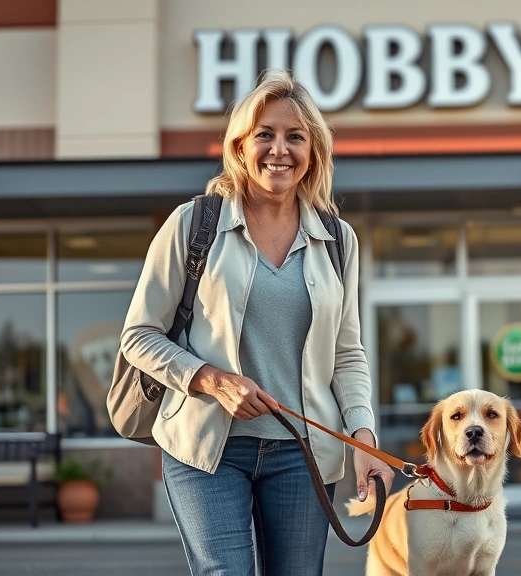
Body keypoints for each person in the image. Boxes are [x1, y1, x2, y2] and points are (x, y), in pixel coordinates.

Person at [120, 69, 394, 575]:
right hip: (207, 447)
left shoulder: (338, 240)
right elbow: (139, 336)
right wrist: (213, 380)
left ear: (313, 151)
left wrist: (363, 437)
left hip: (302, 455)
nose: (279, 150)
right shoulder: (193, 224)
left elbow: (347, 354)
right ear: (240, 146)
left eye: (295, 137)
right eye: (264, 134)